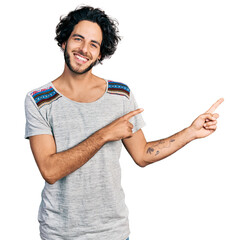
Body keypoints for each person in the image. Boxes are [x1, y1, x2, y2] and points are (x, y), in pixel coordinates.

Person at [24, 5, 223, 240]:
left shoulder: (120, 94)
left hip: (113, 233)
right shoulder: (39, 100)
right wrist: (105, 134)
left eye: (94, 44)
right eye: (78, 39)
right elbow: (50, 170)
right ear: (64, 42)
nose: (84, 49)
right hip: (60, 233)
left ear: (100, 54)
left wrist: (191, 132)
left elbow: (142, 155)